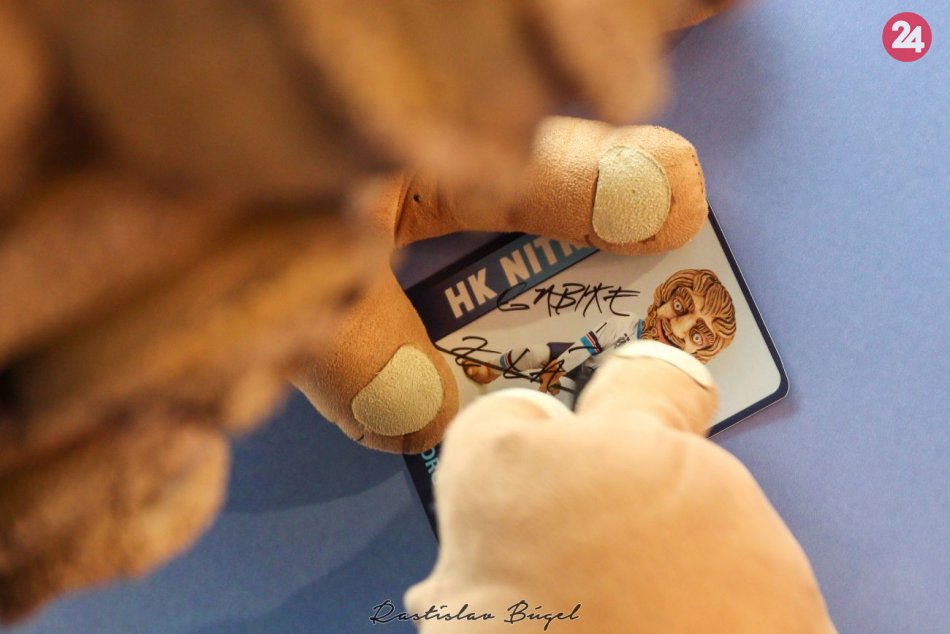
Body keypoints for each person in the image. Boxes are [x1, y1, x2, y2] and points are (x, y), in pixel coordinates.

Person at [464, 268, 737, 394]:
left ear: (699, 352)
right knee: (533, 353)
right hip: (583, 365)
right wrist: (559, 367)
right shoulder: (626, 323)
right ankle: (491, 368)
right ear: (664, 298)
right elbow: (586, 346)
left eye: (697, 335)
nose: (678, 328)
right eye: (679, 306)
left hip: (603, 402)